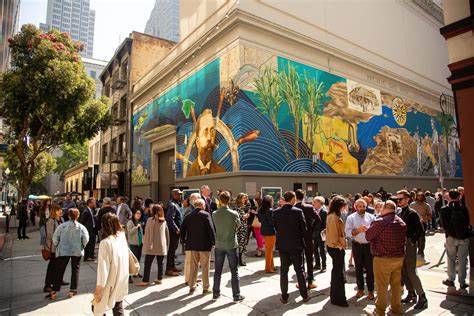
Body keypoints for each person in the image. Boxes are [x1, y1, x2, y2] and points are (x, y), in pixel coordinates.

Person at [366, 200, 407, 315]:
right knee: (396, 285)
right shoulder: (401, 221)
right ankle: (396, 309)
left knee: (381, 286)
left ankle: (379, 311)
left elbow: (368, 236)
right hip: (398, 258)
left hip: (382, 258)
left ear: (385, 208)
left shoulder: (380, 221)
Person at [273, 191, 310, 304]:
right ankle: (304, 295)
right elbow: (304, 230)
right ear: (293, 199)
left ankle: (284, 296)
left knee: (284, 271)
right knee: (299, 270)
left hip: (283, 245)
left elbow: (276, 227)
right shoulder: (298, 212)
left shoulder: (276, 212)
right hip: (296, 245)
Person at [92, 213, 129, 316]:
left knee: (97, 308)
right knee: (118, 306)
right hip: (122, 278)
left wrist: (99, 288)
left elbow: (103, 268)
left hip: (110, 282)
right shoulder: (121, 236)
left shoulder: (105, 243)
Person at [48, 208, 89, 300]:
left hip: (63, 250)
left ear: (68, 216)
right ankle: (73, 290)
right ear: (78, 216)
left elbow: (55, 239)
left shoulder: (61, 226)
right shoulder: (81, 227)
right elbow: (86, 239)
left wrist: (59, 245)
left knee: (60, 270)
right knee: (75, 270)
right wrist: (81, 246)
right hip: (76, 250)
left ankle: (54, 290)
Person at [397, 190, 428, 310]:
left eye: (401, 199)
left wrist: (412, 240)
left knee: (411, 271)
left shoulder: (412, 213)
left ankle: (422, 297)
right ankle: (411, 293)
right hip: (400, 245)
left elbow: (420, 230)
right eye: (397, 199)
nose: (398, 201)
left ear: (407, 199)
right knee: (403, 271)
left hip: (409, 245)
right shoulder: (400, 212)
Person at [212, 191, 244, 301]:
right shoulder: (233, 213)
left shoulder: (214, 213)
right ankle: (236, 295)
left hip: (219, 244)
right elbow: (239, 226)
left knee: (217, 271)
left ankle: (215, 293)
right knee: (234, 271)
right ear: (229, 200)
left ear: (220, 200)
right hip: (231, 243)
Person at [181, 198, 215, 294]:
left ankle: (192, 285)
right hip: (204, 245)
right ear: (203, 205)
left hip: (192, 245)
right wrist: (213, 242)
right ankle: (206, 287)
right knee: (205, 267)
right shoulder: (206, 215)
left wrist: (184, 240)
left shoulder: (188, 216)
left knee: (193, 267)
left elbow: (182, 229)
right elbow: (211, 230)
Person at [344, 198, 375, 300]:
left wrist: (369, 231)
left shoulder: (371, 217)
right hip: (357, 245)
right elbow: (348, 232)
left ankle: (371, 291)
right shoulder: (351, 218)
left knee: (370, 269)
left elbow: (376, 231)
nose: (362, 208)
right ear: (356, 207)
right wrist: (357, 230)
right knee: (358, 268)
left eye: (364, 206)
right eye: (360, 206)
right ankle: (360, 289)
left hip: (368, 245)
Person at [440, 189, 471, 290]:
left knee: (451, 259)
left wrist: (452, 233)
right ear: (459, 197)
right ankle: (462, 282)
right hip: (464, 237)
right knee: (463, 260)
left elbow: (444, 225)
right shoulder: (463, 208)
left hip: (451, 238)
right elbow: (467, 222)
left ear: (449, 196)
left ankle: (451, 279)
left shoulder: (444, 209)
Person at [137, 204, 169, 286]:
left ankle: (145, 280)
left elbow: (148, 233)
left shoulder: (150, 220)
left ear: (153, 211)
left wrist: (146, 244)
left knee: (148, 263)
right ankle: (159, 278)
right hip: (161, 245)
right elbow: (167, 234)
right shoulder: (164, 221)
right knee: (160, 263)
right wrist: (167, 244)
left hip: (151, 245)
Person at [294, 189, 320, 289]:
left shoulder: (294, 208)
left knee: (300, 260)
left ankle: (301, 282)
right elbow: (318, 220)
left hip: (297, 236)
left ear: (295, 197)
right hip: (308, 236)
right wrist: (311, 230)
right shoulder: (309, 207)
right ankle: (310, 281)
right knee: (309, 258)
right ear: (304, 196)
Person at [326, 196, 348, 307]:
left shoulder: (333, 215)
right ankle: (338, 298)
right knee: (338, 274)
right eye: (344, 205)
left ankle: (336, 297)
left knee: (337, 273)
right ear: (339, 206)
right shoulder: (333, 217)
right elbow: (334, 236)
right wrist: (340, 245)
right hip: (335, 248)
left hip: (334, 247)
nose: (345, 207)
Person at [43, 204, 63, 293]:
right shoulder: (50, 221)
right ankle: (47, 285)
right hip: (53, 248)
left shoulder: (60, 220)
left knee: (58, 265)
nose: (61, 211)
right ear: (55, 211)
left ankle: (57, 281)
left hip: (59, 247)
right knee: (52, 266)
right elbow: (50, 235)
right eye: (59, 210)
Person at [165, 189, 183, 276]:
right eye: (178, 194)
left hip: (175, 231)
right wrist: (176, 229)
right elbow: (169, 219)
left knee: (173, 249)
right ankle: (169, 269)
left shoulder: (176, 204)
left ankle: (172, 266)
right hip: (173, 232)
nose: (180, 196)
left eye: (180, 194)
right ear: (174, 195)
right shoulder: (172, 204)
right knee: (171, 250)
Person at [257, 195, 277, 273]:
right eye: (272, 200)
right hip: (270, 232)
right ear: (269, 202)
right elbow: (272, 222)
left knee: (269, 250)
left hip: (264, 231)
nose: (273, 202)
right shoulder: (270, 210)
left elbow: (260, 221)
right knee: (269, 251)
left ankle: (271, 266)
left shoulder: (260, 210)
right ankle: (268, 268)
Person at [410, 191, 431, 260]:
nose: (420, 197)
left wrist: (424, 218)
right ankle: (413, 253)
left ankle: (420, 252)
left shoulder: (426, 205)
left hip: (423, 224)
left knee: (421, 239)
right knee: (412, 238)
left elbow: (430, 216)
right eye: (418, 195)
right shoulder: (412, 204)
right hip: (413, 224)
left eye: (421, 195)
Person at [127, 209, 144, 280]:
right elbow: (129, 232)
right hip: (133, 243)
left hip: (140, 243)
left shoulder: (139, 222)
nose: (138, 215)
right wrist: (136, 227)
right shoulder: (130, 222)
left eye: (139, 213)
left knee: (138, 259)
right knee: (132, 260)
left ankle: (136, 273)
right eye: (137, 213)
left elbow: (141, 233)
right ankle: (129, 276)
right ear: (134, 214)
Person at [312, 196, 327, 272]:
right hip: (314, 233)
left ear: (320, 203)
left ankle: (324, 265)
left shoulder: (324, 212)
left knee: (322, 250)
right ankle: (317, 264)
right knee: (315, 249)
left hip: (321, 234)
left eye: (315, 202)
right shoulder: (314, 210)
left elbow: (325, 224)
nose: (313, 203)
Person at [235, 193, 250, 266]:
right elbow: (237, 218)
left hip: (243, 228)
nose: (245, 199)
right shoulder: (237, 207)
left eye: (245, 198)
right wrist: (244, 216)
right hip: (240, 229)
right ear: (240, 199)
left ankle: (239, 260)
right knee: (240, 244)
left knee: (242, 244)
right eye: (243, 198)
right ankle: (239, 261)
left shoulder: (243, 206)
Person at [80, 198, 97, 262]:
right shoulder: (86, 211)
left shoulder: (92, 210)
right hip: (88, 229)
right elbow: (83, 221)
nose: (95, 204)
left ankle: (91, 255)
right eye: (93, 202)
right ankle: (87, 257)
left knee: (92, 243)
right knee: (88, 243)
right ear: (89, 203)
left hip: (93, 229)